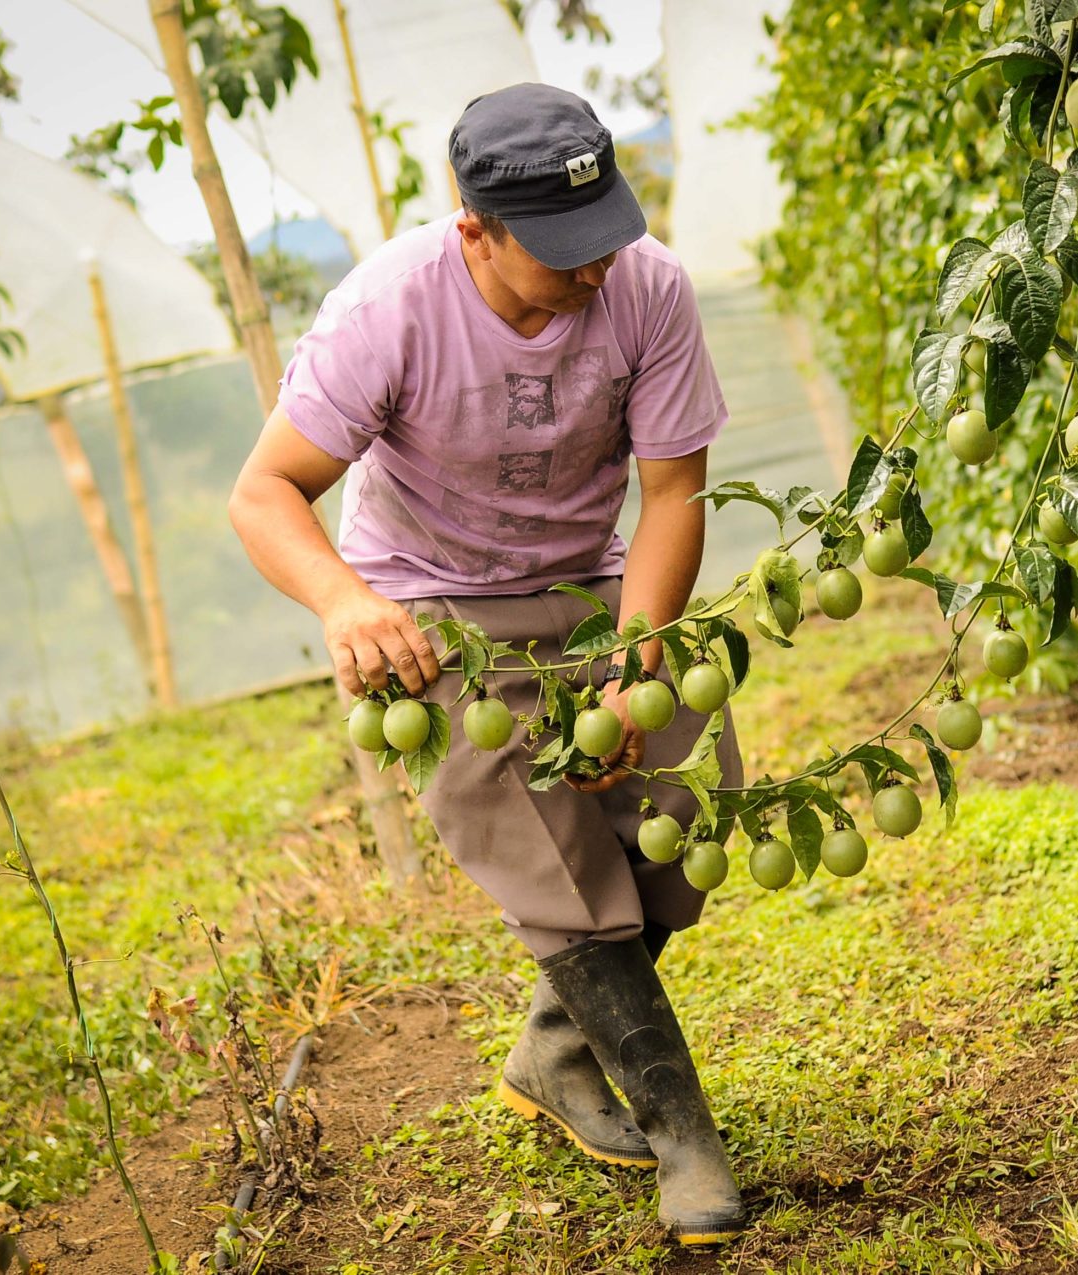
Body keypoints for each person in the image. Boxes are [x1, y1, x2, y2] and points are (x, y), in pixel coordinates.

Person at [227, 82, 746, 1246]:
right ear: (476, 230)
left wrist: (636, 649)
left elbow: (671, 491)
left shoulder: (647, 288)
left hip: (588, 581)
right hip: (434, 606)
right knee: (546, 844)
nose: (593, 269)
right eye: (561, 253)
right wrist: (346, 602)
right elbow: (263, 494)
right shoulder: (389, 311)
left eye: (603, 232)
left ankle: (557, 1050)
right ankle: (684, 1138)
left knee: (685, 802)